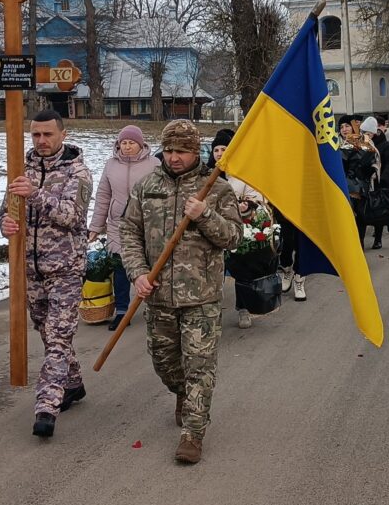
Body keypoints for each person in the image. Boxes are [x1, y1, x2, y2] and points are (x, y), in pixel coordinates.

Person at [119, 120, 243, 464]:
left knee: (199, 367)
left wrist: (204, 215)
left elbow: (233, 236)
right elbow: (129, 233)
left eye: (183, 151)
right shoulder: (146, 186)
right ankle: (182, 394)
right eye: (170, 150)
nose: (174, 157)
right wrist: (138, 273)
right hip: (158, 297)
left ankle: (193, 433)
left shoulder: (215, 189)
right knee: (165, 363)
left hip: (201, 296)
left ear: (195, 151)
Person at [0, 110, 92, 438]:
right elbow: (5, 213)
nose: (41, 141)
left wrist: (35, 194)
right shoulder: (20, 169)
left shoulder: (77, 172)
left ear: (62, 135)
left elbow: (71, 215)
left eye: (47, 134)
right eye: (36, 134)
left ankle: (47, 407)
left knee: (57, 335)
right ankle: (74, 383)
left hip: (66, 269)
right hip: (31, 269)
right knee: (47, 331)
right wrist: (6, 225)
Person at [89, 125, 160, 332]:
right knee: (120, 266)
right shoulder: (111, 165)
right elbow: (103, 195)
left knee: (148, 266)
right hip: (117, 223)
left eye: (131, 143)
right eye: (124, 143)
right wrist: (96, 226)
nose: (127, 147)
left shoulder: (154, 164)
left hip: (146, 223)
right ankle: (122, 311)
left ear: (141, 144)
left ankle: (154, 308)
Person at [208, 128, 268, 329]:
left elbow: (256, 195)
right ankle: (211, 311)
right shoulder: (207, 175)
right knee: (213, 273)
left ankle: (243, 308)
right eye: (216, 150)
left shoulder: (242, 173)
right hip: (210, 231)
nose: (219, 153)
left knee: (241, 271)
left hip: (237, 228)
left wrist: (247, 206)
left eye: (223, 149)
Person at [341, 120, 381, 248]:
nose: (344, 129)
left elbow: (374, 164)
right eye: (341, 127)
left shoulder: (365, 144)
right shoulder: (338, 144)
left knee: (358, 217)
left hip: (358, 188)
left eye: (347, 126)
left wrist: (368, 171)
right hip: (343, 186)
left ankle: (358, 246)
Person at [364, 116, 389, 249]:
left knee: (379, 211)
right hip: (365, 183)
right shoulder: (362, 144)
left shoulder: (385, 145)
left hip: (380, 183)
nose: (365, 135)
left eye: (367, 133)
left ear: (373, 132)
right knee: (365, 211)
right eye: (363, 133)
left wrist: (383, 177)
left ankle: (378, 238)